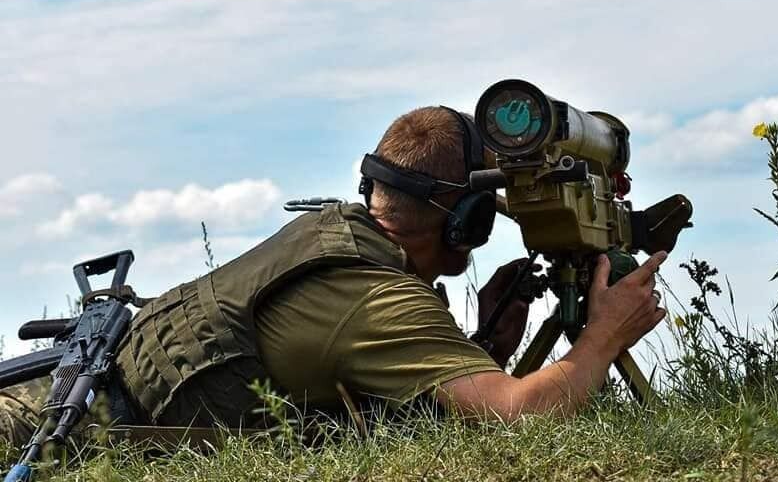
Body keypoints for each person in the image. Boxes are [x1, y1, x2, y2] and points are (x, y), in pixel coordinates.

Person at [0, 106, 666, 446]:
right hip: (56, 437)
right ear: (463, 221)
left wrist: (484, 347)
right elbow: (518, 418)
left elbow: (378, 390)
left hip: (51, 396)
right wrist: (602, 338)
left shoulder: (334, 237)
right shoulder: (373, 299)